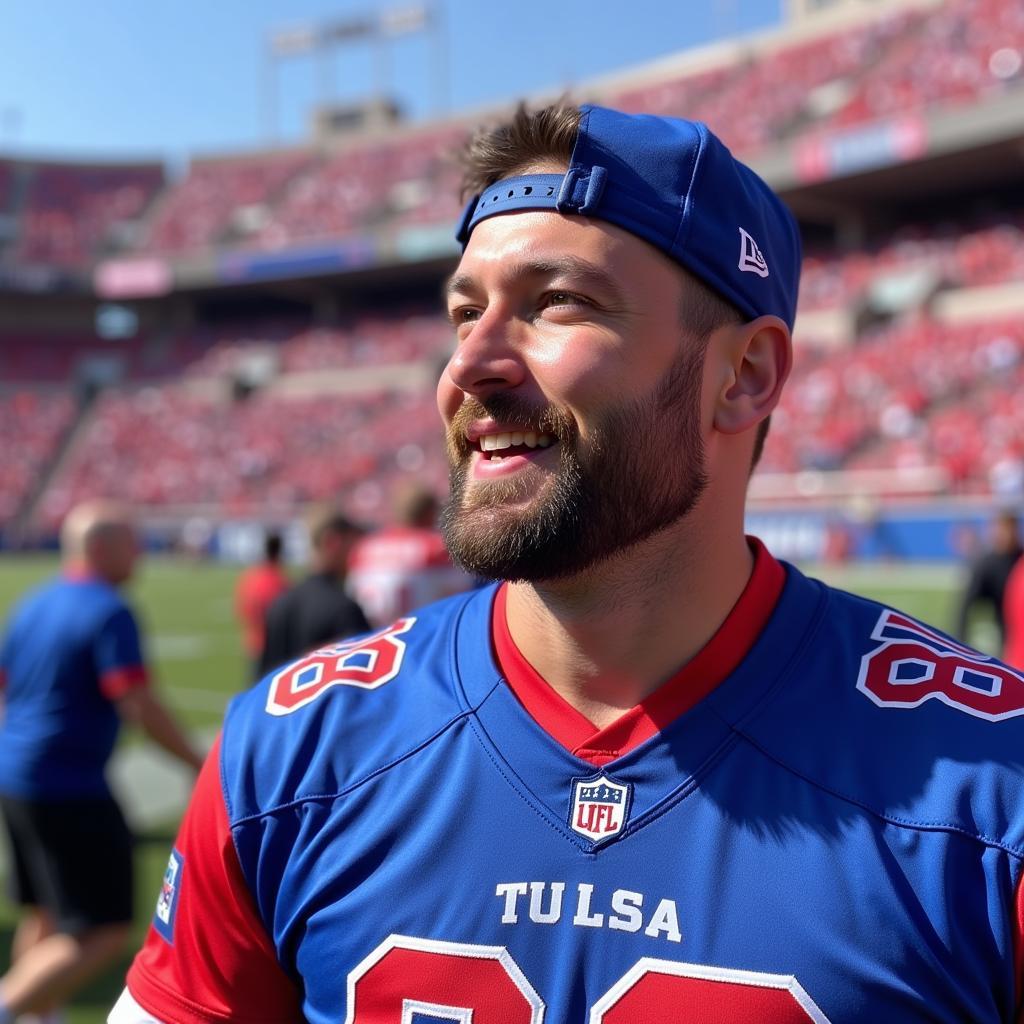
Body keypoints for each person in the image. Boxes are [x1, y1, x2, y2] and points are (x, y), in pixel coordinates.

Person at [111, 105, 1024, 1023]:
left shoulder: (993, 792)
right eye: (466, 312)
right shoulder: (289, 750)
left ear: (744, 375)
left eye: (558, 303)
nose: (470, 362)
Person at [0, 500, 203, 1024]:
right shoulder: (108, 610)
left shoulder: (35, 603)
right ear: (100, 548)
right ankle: (10, 1006)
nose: (138, 553)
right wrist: (195, 761)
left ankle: (38, 1013)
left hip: (19, 776)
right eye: (129, 542)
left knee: (45, 911)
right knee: (105, 928)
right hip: (69, 782)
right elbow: (134, 700)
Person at [256, 505, 370, 676]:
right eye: (351, 543)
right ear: (333, 542)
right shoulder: (344, 609)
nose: (354, 552)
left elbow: (263, 680)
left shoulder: (281, 603)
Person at [347, 483, 472, 628]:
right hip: (424, 633)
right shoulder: (435, 548)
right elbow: (463, 595)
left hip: (375, 635)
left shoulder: (364, 548)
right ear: (429, 512)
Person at [955, 508, 1023, 655]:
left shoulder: (1020, 560)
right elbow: (965, 605)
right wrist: (959, 644)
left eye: (1009, 529)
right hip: (1008, 635)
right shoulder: (986, 565)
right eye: (999, 529)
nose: (1004, 535)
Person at [234, 529, 290, 681]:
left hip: (254, 644)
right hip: (274, 649)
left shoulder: (250, 577)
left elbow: (241, 608)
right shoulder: (280, 581)